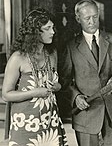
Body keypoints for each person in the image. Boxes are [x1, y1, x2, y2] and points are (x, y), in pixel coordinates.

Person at [59, 0, 112, 146]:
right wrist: (76, 97)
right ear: (78, 19)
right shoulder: (71, 47)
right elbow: (65, 81)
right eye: (87, 18)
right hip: (86, 112)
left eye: (95, 17)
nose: (92, 22)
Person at [2, 8, 68, 145]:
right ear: (35, 32)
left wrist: (57, 86)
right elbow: (6, 95)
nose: (53, 32)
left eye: (53, 27)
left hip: (50, 119)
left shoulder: (52, 53)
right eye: (48, 28)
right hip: (25, 122)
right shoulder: (18, 58)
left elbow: (58, 83)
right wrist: (35, 92)